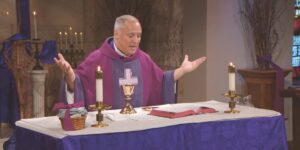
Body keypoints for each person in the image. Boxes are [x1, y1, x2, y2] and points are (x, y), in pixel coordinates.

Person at [54, 15, 206, 109]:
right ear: (116, 34)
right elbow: (79, 85)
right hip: (108, 130)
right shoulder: (97, 58)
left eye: (139, 36)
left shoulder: (144, 59)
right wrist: (69, 74)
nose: (136, 41)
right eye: (131, 35)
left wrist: (182, 70)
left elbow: (161, 80)